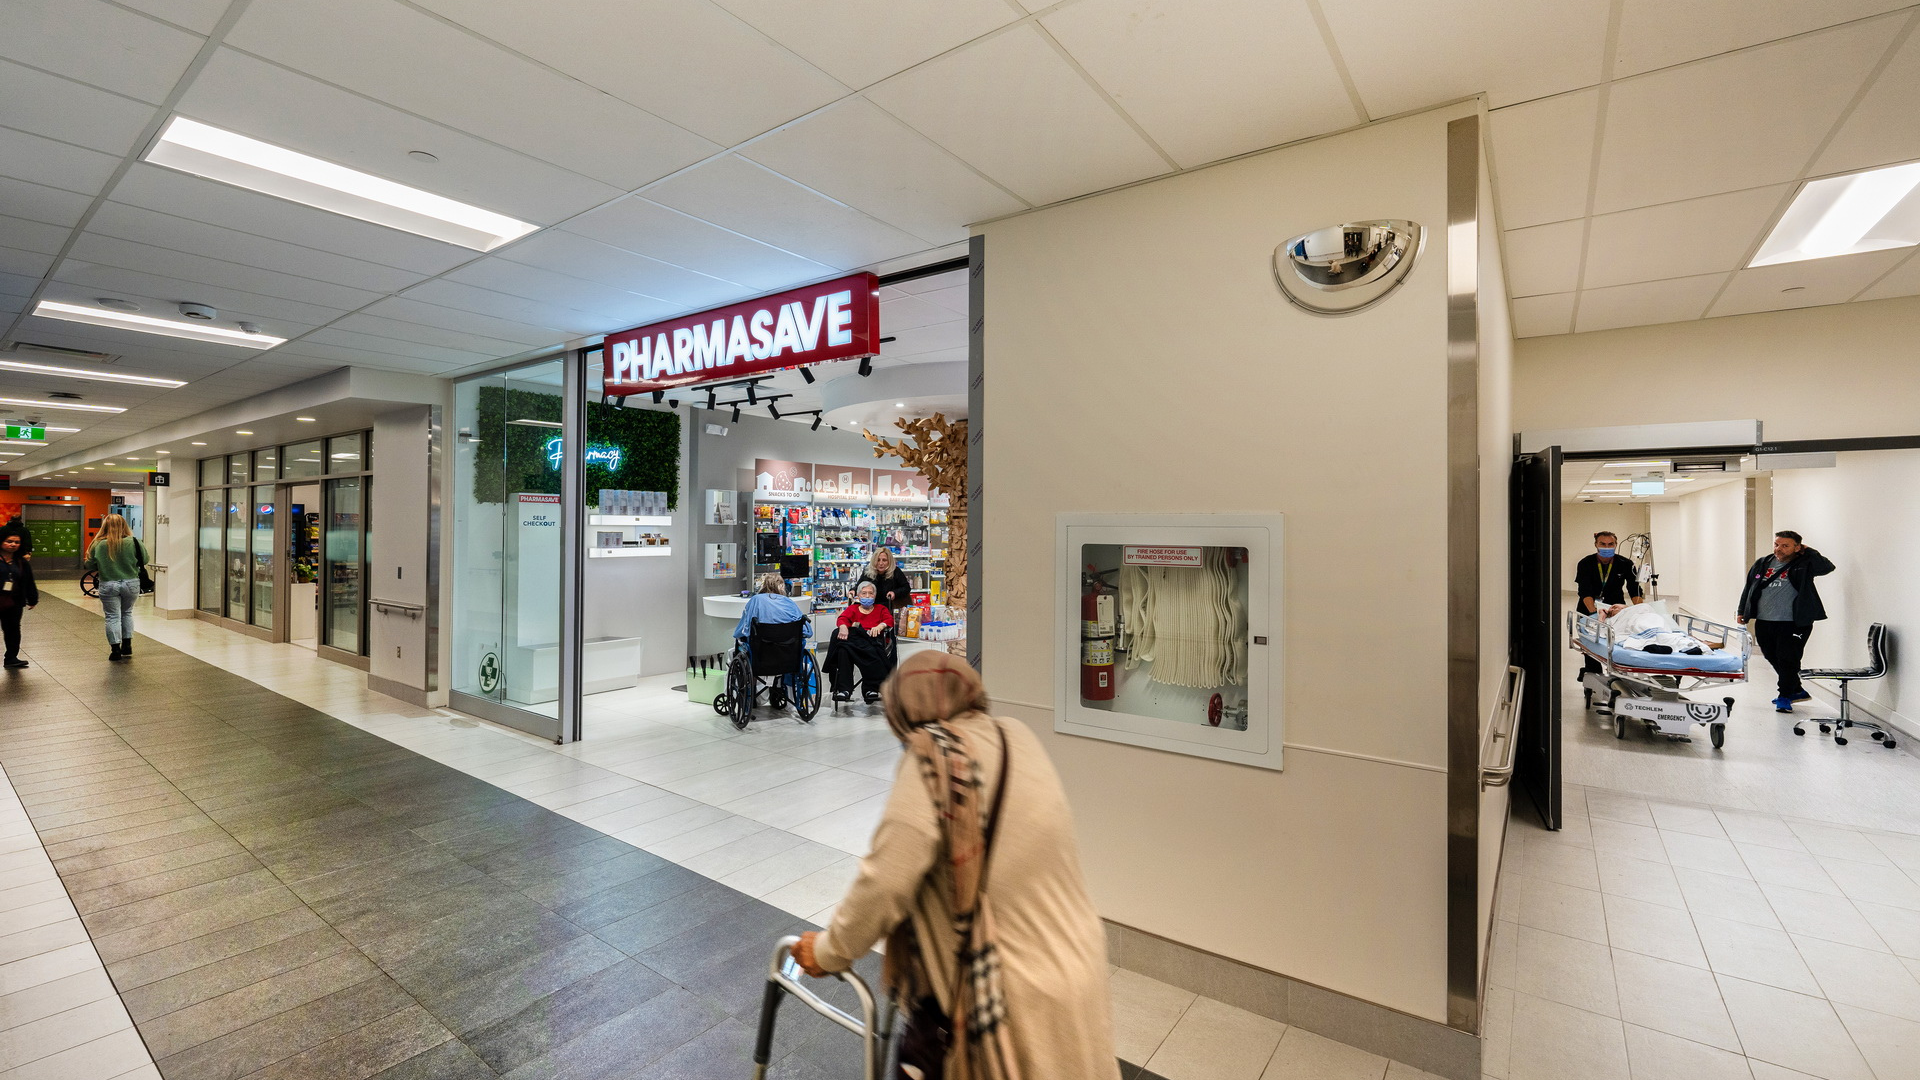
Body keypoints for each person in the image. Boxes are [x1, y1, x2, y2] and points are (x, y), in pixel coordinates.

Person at [792, 651, 1120, 1080]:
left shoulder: (932, 756)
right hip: (1080, 962)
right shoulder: (1016, 735)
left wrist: (828, 951)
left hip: (1012, 990)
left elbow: (885, 881)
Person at [1736, 530, 1836, 713]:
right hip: (1765, 620)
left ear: (1797, 547)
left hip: (1794, 622)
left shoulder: (1804, 563)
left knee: (1788, 658)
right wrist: (1742, 610)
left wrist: (1809, 551)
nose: (1779, 549)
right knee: (1770, 655)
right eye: (1776, 544)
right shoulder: (1762, 563)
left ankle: (1784, 695)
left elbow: (1826, 567)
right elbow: (1750, 587)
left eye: (1785, 546)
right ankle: (1795, 689)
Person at [1573, 531, 1644, 688]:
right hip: (1589, 607)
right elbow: (1584, 591)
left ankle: (1618, 677)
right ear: (1596, 545)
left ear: (1616, 545)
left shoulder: (1625, 564)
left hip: (1615, 607)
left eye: (1610, 544)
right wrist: (1594, 614)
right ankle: (1593, 676)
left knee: (1617, 641)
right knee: (1592, 645)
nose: (1606, 547)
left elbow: (1634, 589)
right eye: (1602, 544)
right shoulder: (1585, 563)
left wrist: (1640, 610)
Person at [84, 513, 144, 662]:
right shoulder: (134, 541)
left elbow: (89, 564)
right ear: (124, 525)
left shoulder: (98, 544)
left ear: (104, 526)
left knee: (112, 616)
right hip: (131, 583)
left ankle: (115, 650)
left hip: (108, 583)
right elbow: (145, 559)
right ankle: (127, 646)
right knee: (127, 613)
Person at [826, 580, 895, 704]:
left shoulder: (881, 609)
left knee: (865, 649)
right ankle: (844, 689)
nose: (867, 596)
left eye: (870, 593)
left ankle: (870, 689)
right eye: (864, 593)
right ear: (858, 595)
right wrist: (843, 627)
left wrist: (880, 626)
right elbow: (842, 618)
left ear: (875, 595)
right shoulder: (853, 609)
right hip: (854, 643)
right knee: (842, 649)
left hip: (873, 640)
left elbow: (889, 620)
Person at [733, 572, 811, 644]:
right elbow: (808, 632)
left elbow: (742, 631)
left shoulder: (756, 600)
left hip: (760, 650)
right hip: (789, 651)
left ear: (763, 585)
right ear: (782, 586)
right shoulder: (789, 602)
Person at [0, 532, 37, 669]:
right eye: (9, 541)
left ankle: (11, 658)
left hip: (14, 601)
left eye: (16, 542)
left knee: (13, 629)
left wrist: (32, 598)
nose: (13, 544)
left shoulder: (21, 562)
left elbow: (29, 581)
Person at [857, 545, 915, 616]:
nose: (881, 563)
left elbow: (906, 588)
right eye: (878, 560)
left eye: (884, 560)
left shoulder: (895, 571)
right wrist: (853, 590)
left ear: (889, 561)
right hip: (872, 607)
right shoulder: (868, 571)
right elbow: (859, 586)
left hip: (891, 607)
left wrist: (895, 593)